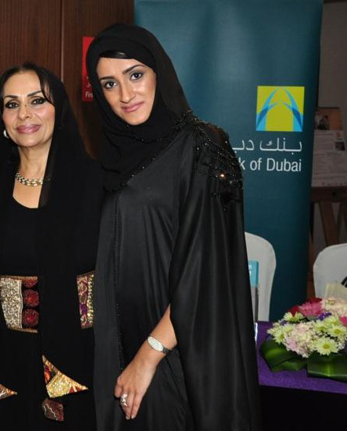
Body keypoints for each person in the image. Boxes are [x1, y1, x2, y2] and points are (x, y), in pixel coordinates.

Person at [84, 24, 262, 430]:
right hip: (123, 345)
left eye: (135, 75)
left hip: (178, 352)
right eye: (109, 84)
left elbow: (206, 272)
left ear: (159, 72)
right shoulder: (113, 156)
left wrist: (148, 356)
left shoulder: (201, 146)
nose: (125, 95)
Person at [0, 63, 102, 429]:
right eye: (12, 104)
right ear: (1, 118)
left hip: (80, 360)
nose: (24, 114)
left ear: (59, 110)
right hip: (4, 365)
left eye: (37, 101)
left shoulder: (96, 185)